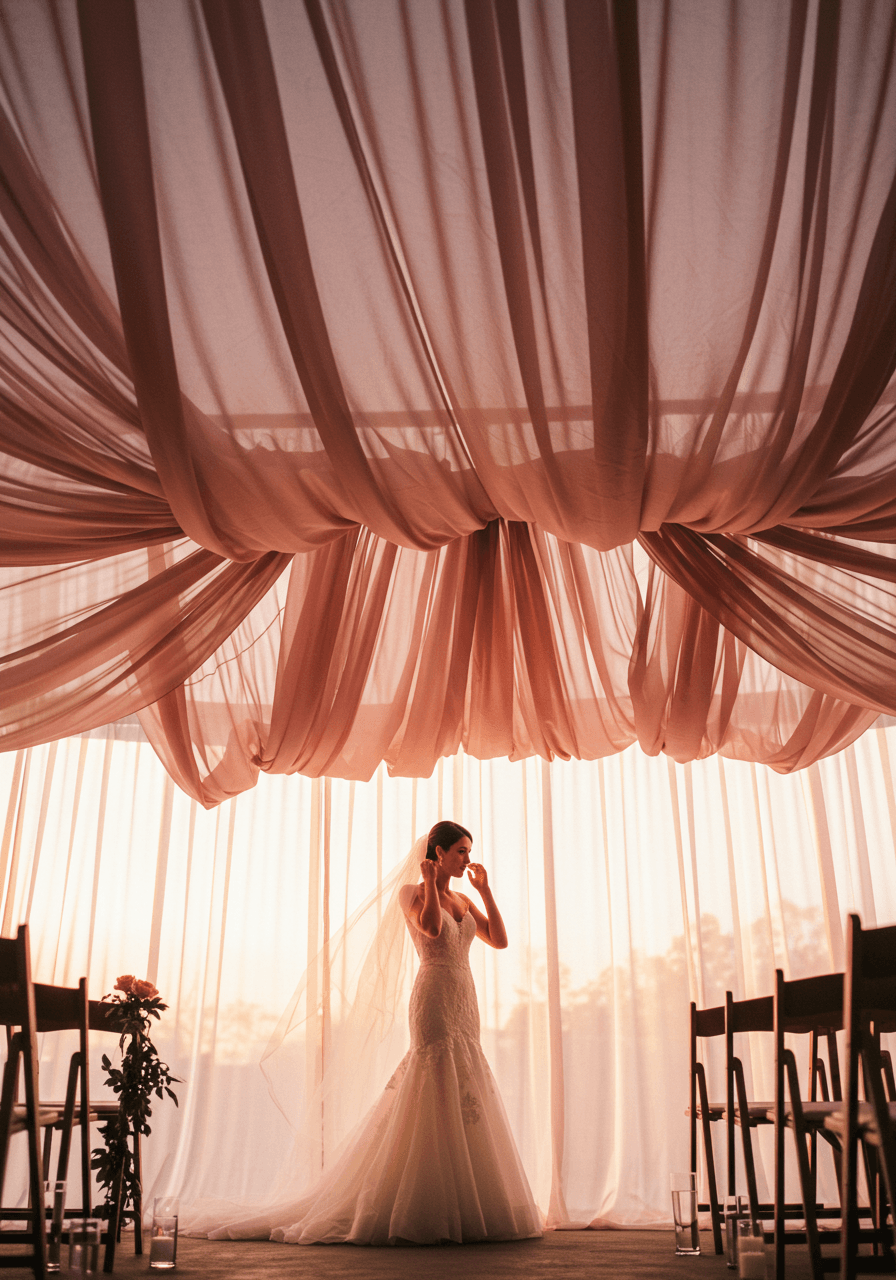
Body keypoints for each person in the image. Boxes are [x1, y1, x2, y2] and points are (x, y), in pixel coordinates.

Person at [199, 821, 542, 1246]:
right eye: (459, 851)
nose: (467, 859)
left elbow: (500, 940)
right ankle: (421, 1202)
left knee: (466, 1077)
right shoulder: (412, 894)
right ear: (437, 853)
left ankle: (468, 1201)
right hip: (433, 995)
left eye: (468, 851)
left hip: (463, 997)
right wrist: (431, 883)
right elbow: (432, 930)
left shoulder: (465, 898)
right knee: (433, 1076)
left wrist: (485, 890)